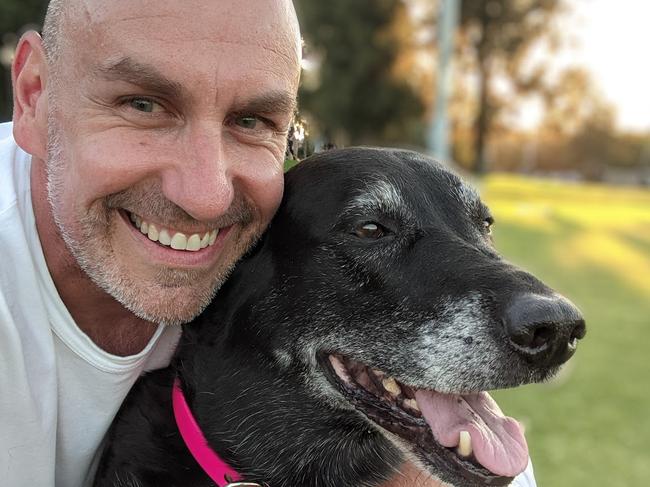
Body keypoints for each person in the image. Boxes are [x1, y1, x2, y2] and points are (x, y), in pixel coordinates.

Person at [0, 1, 536, 486]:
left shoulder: (265, 251)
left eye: (252, 120)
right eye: (143, 104)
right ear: (34, 95)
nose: (207, 197)